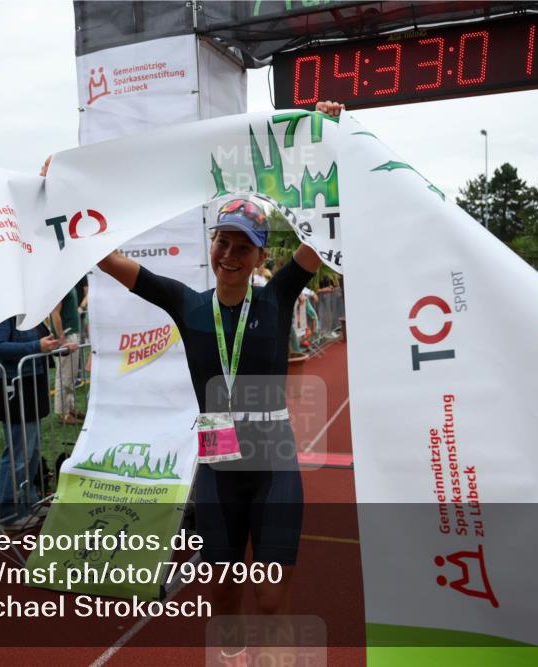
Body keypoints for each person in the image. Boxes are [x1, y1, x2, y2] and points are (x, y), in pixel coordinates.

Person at [94, 103, 341, 663]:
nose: (228, 255)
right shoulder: (186, 303)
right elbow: (108, 260)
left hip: (273, 462)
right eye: (221, 242)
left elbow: (329, 225)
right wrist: (62, 202)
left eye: (242, 246)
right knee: (224, 598)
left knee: (273, 598)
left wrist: (331, 143)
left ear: (261, 253)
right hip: (216, 467)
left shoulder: (278, 295)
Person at [0, 317, 73, 526]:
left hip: (30, 386)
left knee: (31, 451)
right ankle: (9, 513)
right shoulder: (5, 315)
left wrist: (59, 348)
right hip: (14, 388)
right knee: (18, 453)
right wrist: (37, 346)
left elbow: (42, 345)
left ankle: (30, 502)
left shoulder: (29, 314)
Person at [49, 286, 84, 424]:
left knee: (70, 374)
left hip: (69, 334)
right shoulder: (60, 285)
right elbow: (54, 313)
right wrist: (62, 339)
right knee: (65, 375)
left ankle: (69, 408)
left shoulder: (67, 283)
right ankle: (63, 413)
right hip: (67, 336)